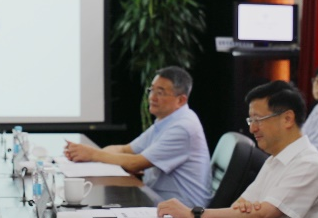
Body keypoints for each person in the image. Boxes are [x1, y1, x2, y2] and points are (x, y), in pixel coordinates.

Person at [159, 80, 318, 218]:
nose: (252, 129)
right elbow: (240, 207)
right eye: (251, 121)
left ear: (287, 119)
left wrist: (193, 214)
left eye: (258, 120)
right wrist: (248, 211)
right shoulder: (276, 159)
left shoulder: (309, 165)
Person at [63, 66, 211, 207]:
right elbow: (124, 150)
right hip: (159, 199)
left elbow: (135, 163)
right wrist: (87, 155)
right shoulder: (166, 121)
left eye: (160, 93)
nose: (152, 97)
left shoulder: (183, 127)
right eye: (151, 90)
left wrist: (93, 154)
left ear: (181, 100)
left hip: (183, 210)